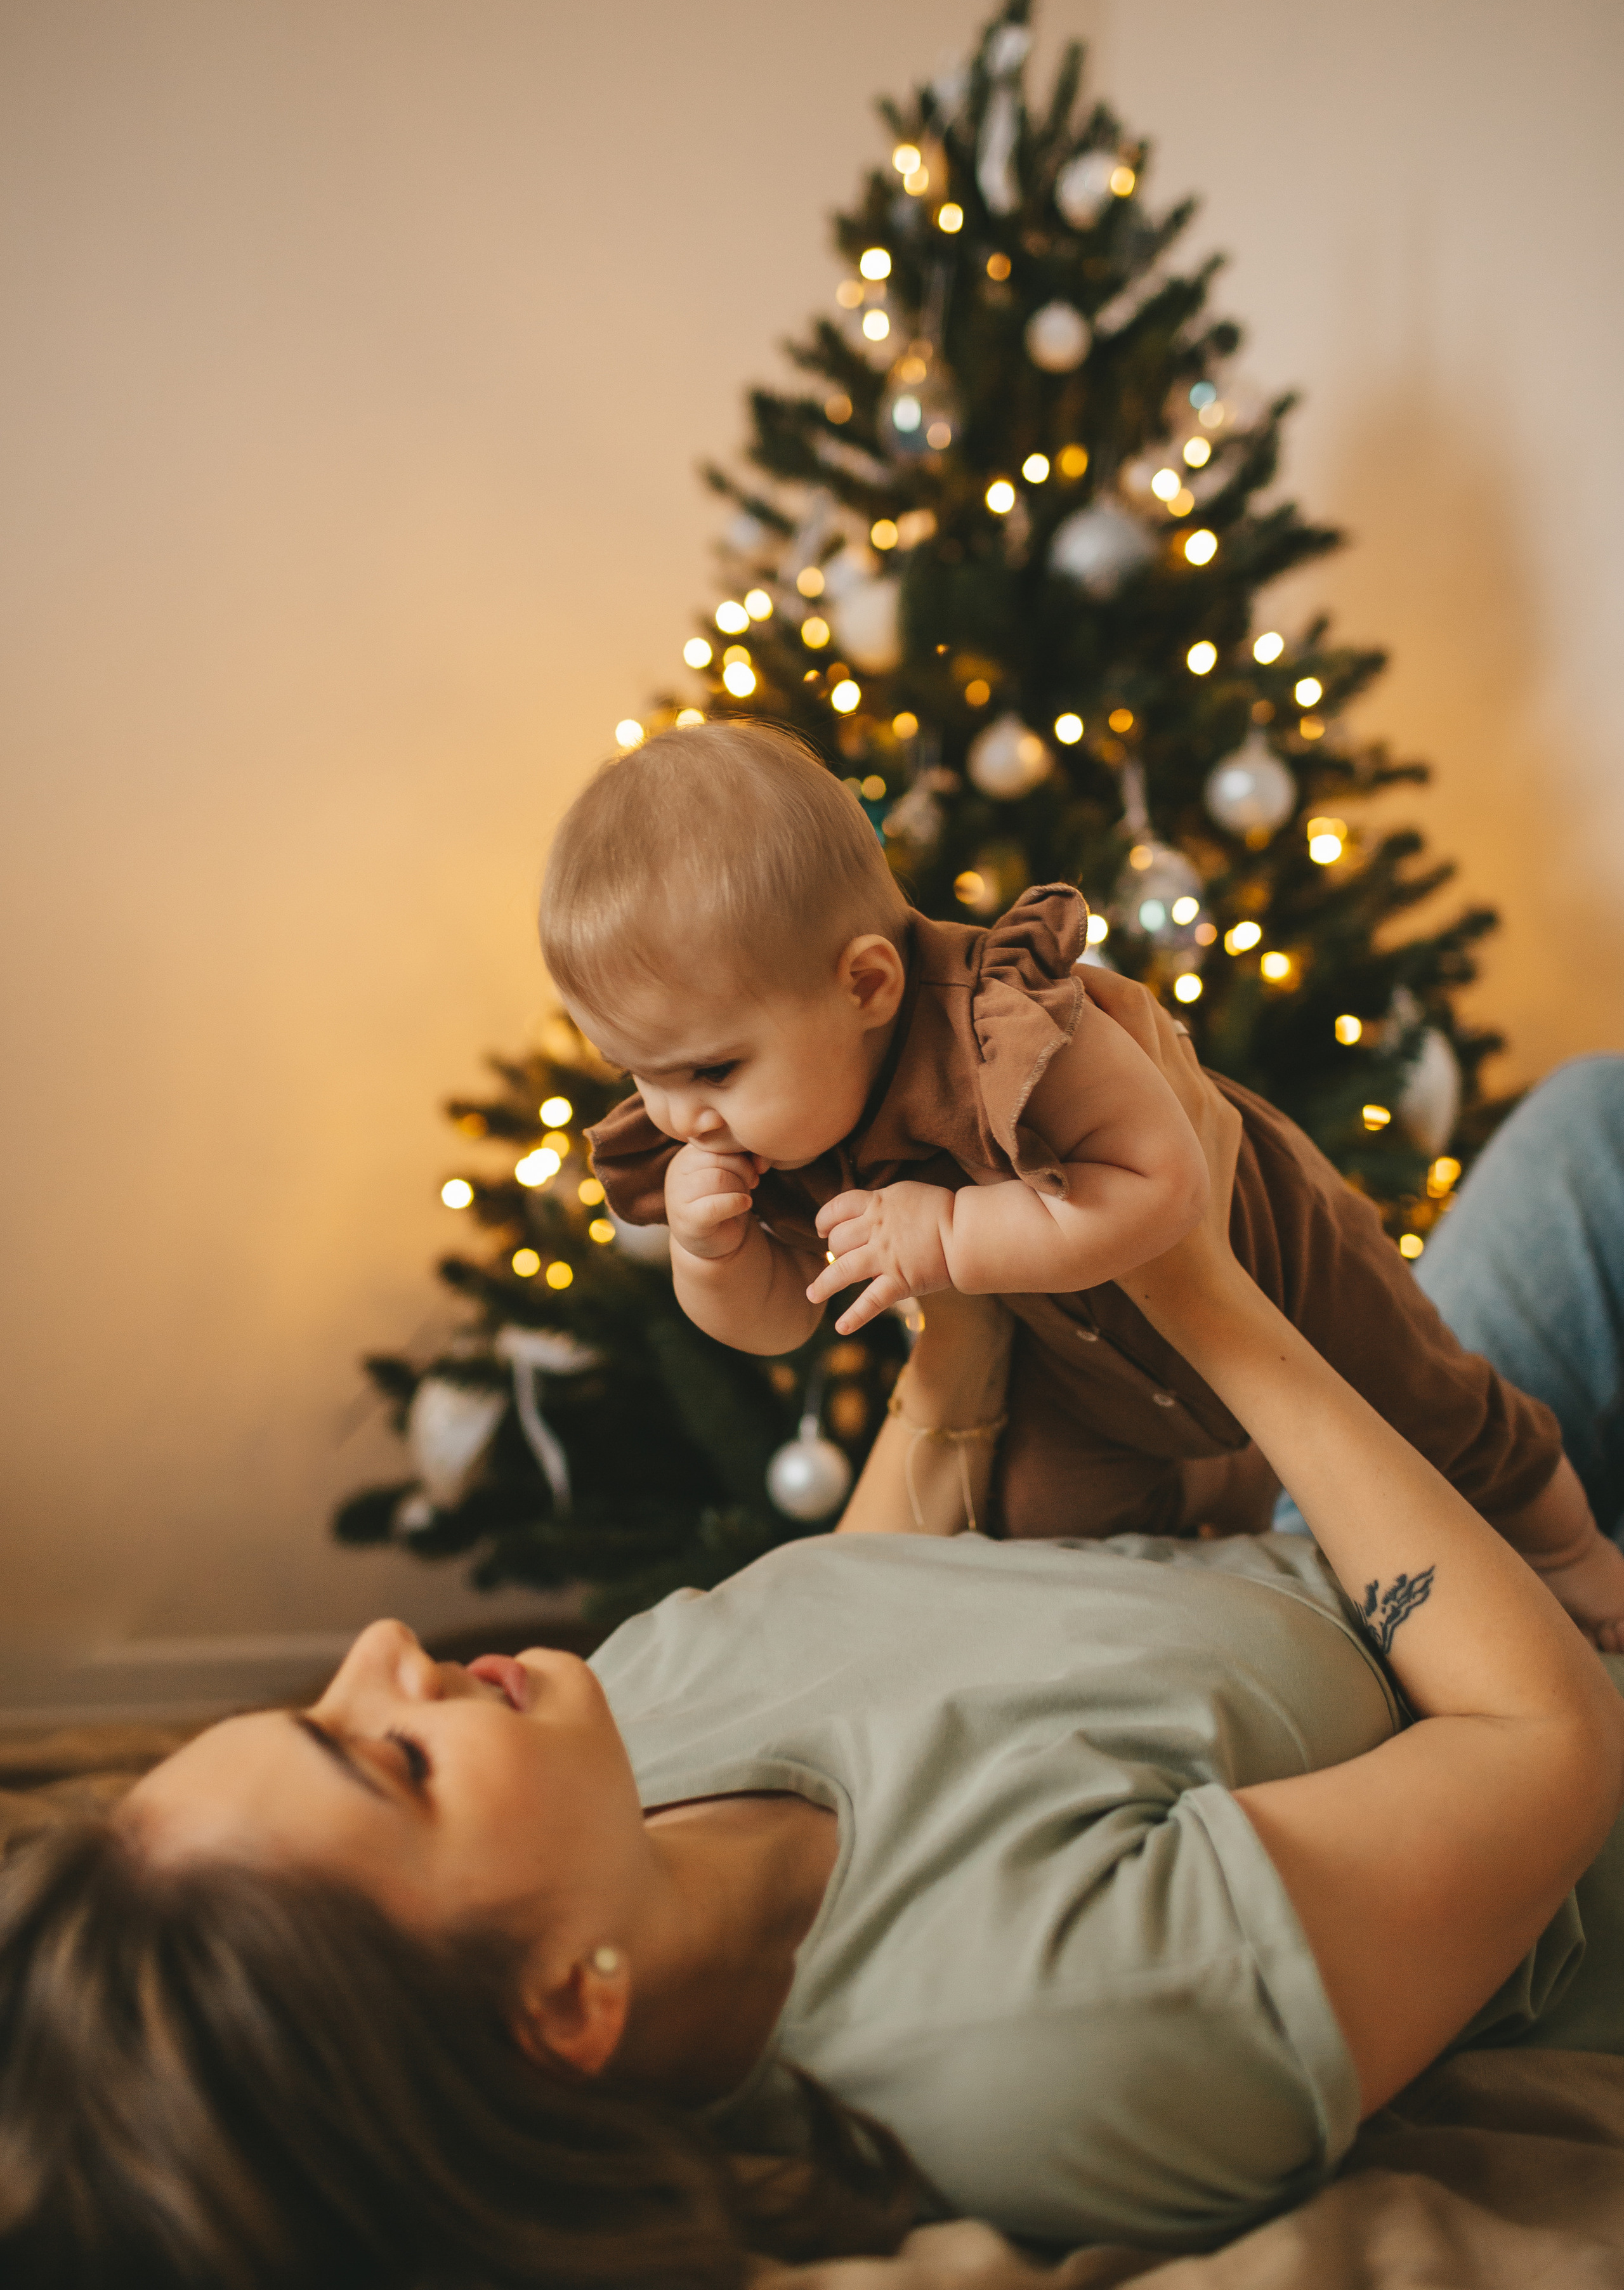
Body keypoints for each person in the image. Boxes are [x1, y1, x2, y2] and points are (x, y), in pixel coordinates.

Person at [6, 991, 1624, 2286]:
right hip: (1534, 1665)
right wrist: (1188, 1274)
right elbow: (1539, 1745)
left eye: (321, 1697)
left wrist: (951, 1222)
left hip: (1323, 1545)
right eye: (390, 1760)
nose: (385, 1646)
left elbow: (869, 1600)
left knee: (1584, 1135)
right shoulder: (1048, 2033)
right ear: (566, 2007)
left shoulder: (608, 1760)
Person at [548, 720, 1624, 1639]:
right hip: (1079, 1359)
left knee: (1435, 1412)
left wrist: (954, 1240)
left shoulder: (1008, 1026)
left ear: (866, 985)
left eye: (709, 1069)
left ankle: (1576, 1558)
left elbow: (1162, 1190)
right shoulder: (785, 1105)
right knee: (1041, 1533)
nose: (682, 1115)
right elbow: (786, 1317)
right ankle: (1246, 1644)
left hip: (1272, 1263)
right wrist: (712, 1258)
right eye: (637, 1073)